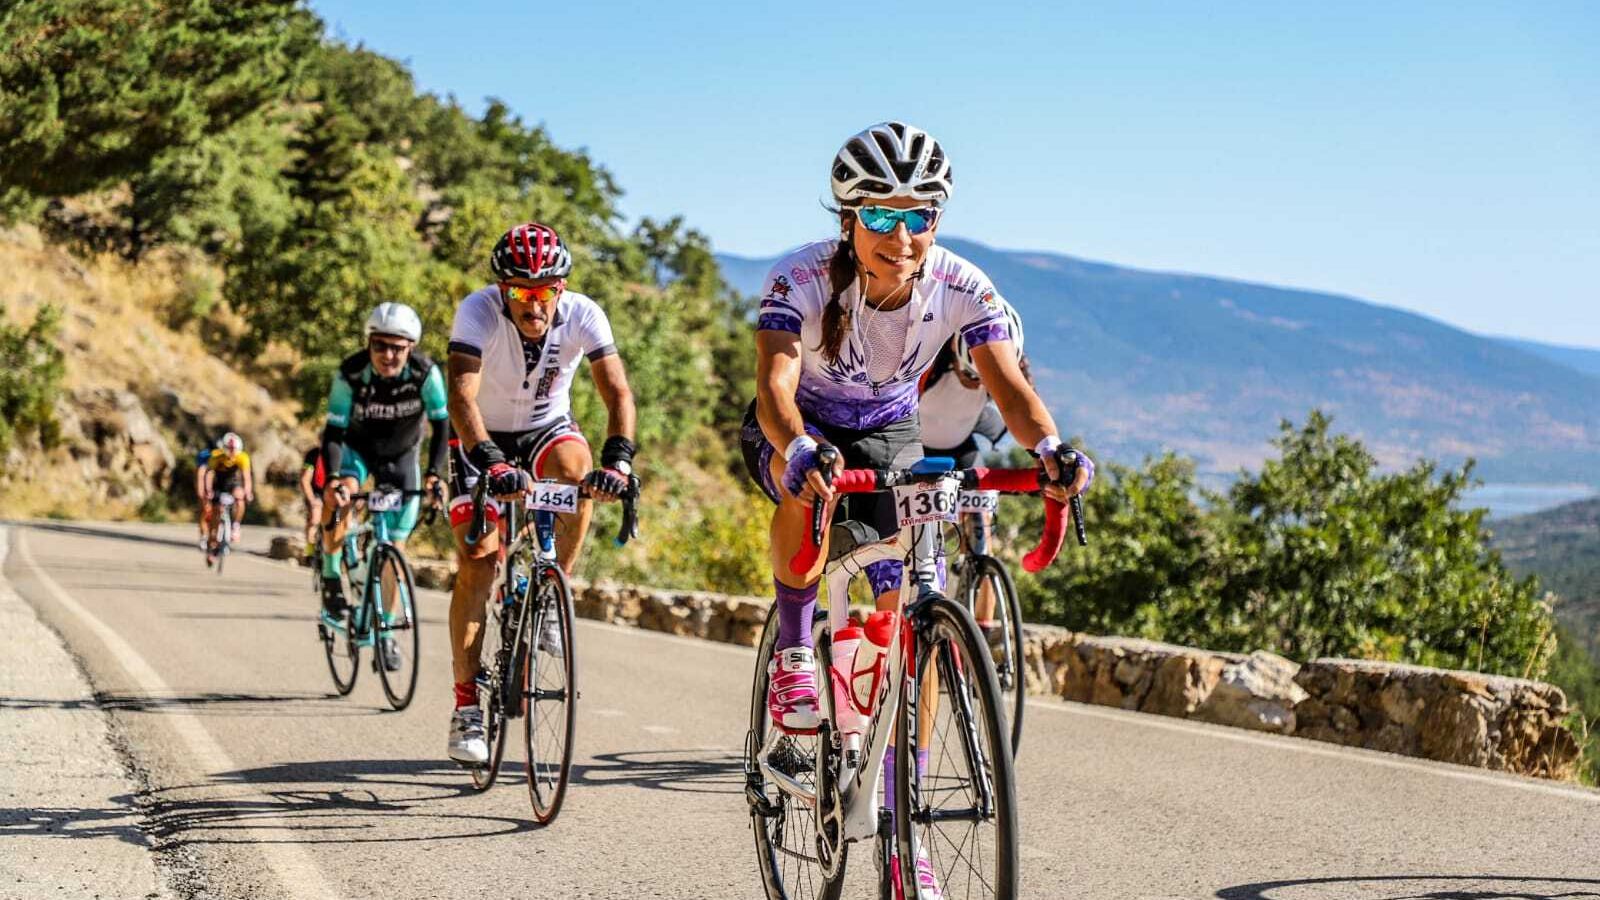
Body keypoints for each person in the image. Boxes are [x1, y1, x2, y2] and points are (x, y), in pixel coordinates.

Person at [741, 121, 1093, 896]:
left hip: (891, 431)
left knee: (915, 614)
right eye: (881, 217)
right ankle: (797, 648)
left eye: (919, 217)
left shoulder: (964, 285)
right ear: (847, 219)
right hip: (801, 422)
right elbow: (773, 386)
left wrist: (1050, 452)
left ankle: (903, 833)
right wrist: (798, 448)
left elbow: (1009, 387)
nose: (902, 236)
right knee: (810, 490)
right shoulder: (799, 278)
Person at [443, 221, 638, 765]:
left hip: (546, 429)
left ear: (561, 288)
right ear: (503, 291)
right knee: (477, 560)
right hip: (480, 434)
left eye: (545, 291)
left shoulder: (582, 313)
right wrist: (489, 461)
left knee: (579, 476)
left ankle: (552, 590)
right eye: (521, 293)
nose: (534, 304)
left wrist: (618, 460)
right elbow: (461, 397)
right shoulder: (478, 311)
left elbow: (617, 390)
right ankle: (465, 707)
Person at [317, 302, 448, 670]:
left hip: (401, 457)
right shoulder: (351, 374)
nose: (388, 355)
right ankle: (330, 575)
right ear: (369, 343)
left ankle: (386, 633)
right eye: (380, 346)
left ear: (411, 348)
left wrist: (436, 474)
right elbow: (334, 431)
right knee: (339, 494)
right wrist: (332, 479)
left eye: (398, 347)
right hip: (356, 452)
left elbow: (442, 425)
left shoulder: (426, 374)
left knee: (395, 548)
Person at [918, 298, 1029, 635]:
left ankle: (980, 635)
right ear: (955, 356)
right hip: (915, 447)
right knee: (918, 533)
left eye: (983, 380)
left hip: (961, 448)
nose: (975, 384)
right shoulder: (930, 362)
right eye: (969, 374)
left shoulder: (1009, 365)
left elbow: (1027, 410)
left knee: (982, 534)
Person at [203, 432, 253, 563]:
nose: (231, 453)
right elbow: (209, 474)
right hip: (219, 484)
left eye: (234, 450)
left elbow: (246, 477)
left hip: (233, 483)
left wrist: (248, 492)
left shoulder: (243, 457)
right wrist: (208, 490)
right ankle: (212, 545)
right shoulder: (216, 456)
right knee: (216, 512)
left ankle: (235, 525)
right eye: (229, 450)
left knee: (240, 498)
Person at [299, 445, 326, 559]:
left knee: (338, 521)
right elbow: (305, 479)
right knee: (315, 518)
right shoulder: (313, 455)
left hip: (333, 492)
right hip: (315, 492)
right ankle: (309, 550)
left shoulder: (342, 453)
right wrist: (312, 500)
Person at [193, 442, 215, 548]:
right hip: (205, 488)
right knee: (205, 512)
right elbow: (200, 475)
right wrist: (201, 493)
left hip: (216, 487)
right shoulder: (204, 457)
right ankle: (204, 536)